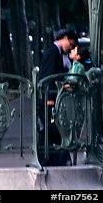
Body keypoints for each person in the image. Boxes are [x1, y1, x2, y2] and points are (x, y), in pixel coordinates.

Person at [37, 29, 78, 166]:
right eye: (71, 45)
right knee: (48, 129)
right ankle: (47, 158)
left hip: (52, 99)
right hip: (49, 100)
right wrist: (49, 97)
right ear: (65, 38)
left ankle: (54, 159)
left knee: (52, 129)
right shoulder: (53, 52)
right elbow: (47, 77)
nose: (70, 48)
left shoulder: (56, 53)